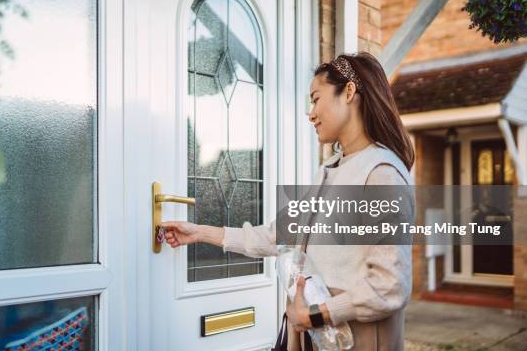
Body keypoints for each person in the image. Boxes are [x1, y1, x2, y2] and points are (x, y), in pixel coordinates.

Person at [162, 53, 415, 351]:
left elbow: (390, 286)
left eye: (316, 98)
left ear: (348, 92)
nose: (311, 113)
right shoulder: (330, 171)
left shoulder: (381, 174)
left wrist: (315, 315)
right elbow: (275, 235)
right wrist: (199, 232)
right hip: (315, 337)